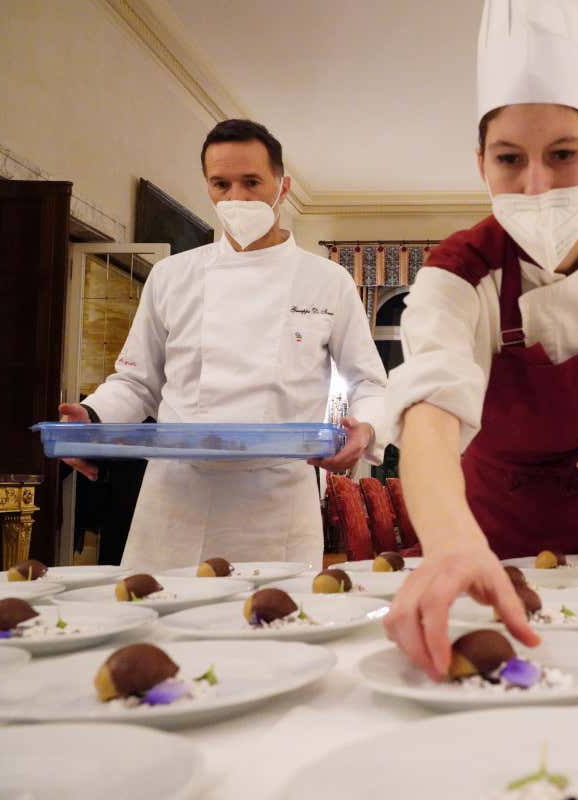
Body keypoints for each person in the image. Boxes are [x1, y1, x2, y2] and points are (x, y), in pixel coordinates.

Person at [382, 0, 578, 679]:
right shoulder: (454, 273)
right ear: (480, 165)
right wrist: (447, 542)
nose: (536, 186)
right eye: (509, 160)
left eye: (563, 155)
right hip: (485, 533)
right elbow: (430, 414)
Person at [59, 119, 388, 570]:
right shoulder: (172, 276)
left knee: (276, 628)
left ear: (282, 186)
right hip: (176, 496)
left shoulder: (327, 281)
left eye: (252, 182)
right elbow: (137, 383)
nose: (236, 198)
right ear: (208, 187)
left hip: (274, 500)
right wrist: (92, 418)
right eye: (221, 184)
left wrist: (365, 428)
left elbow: (370, 382)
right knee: (159, 627)